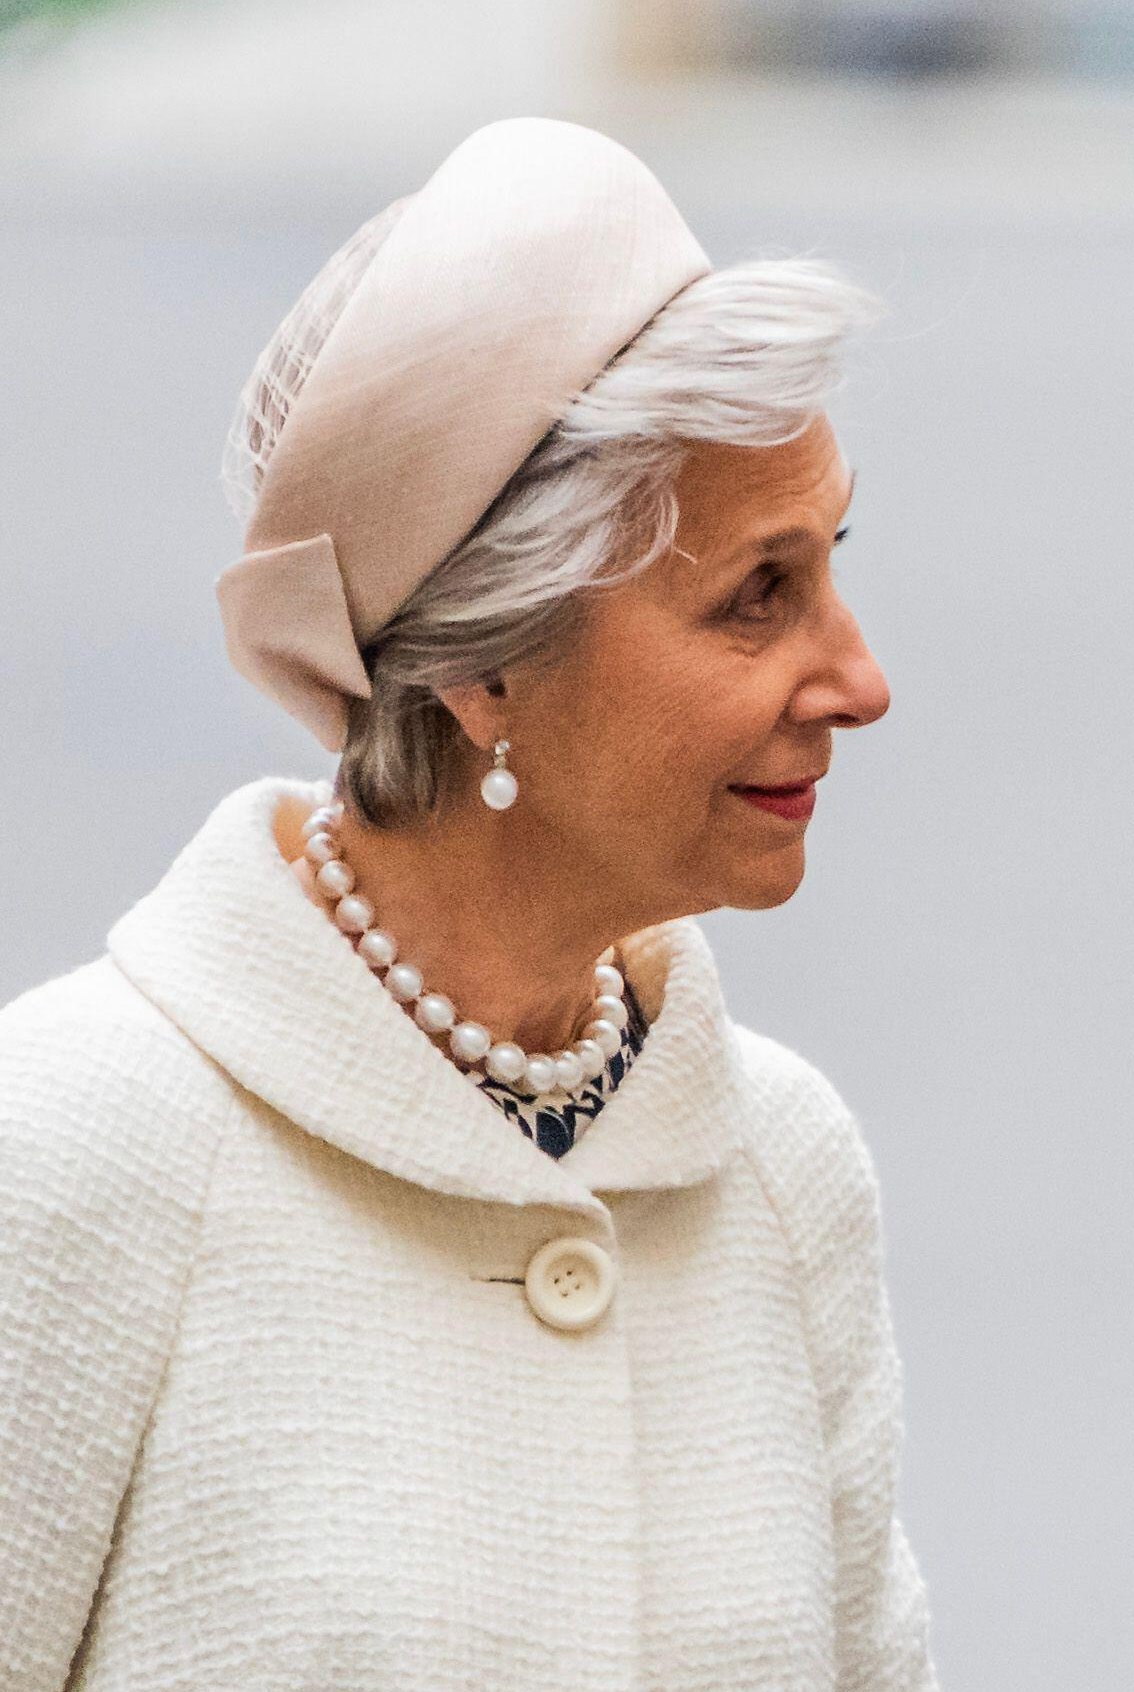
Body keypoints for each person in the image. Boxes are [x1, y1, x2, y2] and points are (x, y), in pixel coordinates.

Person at [0, 118, 940, 1690]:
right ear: (486, 663)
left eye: (830, 564)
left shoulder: (778, 1173)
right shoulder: (78, 1151)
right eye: (755, 596)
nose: (859, 680)